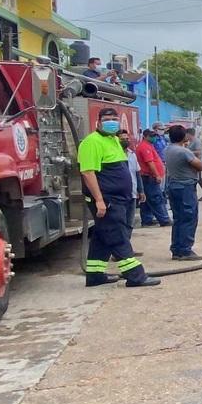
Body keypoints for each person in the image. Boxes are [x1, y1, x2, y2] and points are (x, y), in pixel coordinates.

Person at [78, 108, 160, 288]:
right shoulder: (91, 142)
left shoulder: (114, 139)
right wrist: (99, 200)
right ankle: (136, 276)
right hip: (106, 200)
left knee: (102, 236)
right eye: (107, 119)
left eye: (115, 119)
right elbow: (88, 172)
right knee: (118, 236)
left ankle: (94, 275)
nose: (112, 121)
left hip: (118, 199)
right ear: (98, 122)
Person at [163, 125, 202, 261]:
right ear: (184, 137)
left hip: (173, 185)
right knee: (189, 218)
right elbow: (201, 166)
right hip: (186, 187)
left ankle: (176, 249)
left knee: (178, 219)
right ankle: (185, 250)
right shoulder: (183, 152)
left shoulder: (168, 149)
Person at [136, 129, 171, 227]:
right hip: (149, 177)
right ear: (145, 136)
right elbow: (150, 163)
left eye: (154, 136)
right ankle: (164, 220)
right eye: (152, 136)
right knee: (156, 198)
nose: (154, 138)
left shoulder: (148, 145)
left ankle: (147, 220)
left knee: (147, 200)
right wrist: (157, 175)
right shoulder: (144, 147)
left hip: (148, 177)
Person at [118, 129, 145, 241]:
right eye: (122, 139)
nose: (125, 141)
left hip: (132, 194)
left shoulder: (132, 154)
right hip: (119, 195)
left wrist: (141, 190)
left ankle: (126, 248)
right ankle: (120, 250)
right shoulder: (114, 155)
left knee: (130, 222)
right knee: (120, 223)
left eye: (127, 139)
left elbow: (137, 173)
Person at [185, 128, 202, 202]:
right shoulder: (191, 141)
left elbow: (198, 152)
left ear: (189, 134)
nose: (186, 136)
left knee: (197, 179)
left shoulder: (196, 141)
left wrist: (187, 152)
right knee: (197, 179)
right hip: (193, 163)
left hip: (196, 163)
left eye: (186, 135)